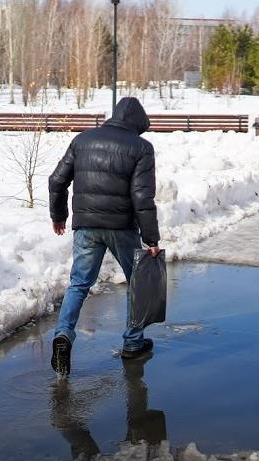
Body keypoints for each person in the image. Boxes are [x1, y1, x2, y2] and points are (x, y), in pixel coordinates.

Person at [48, 97, 161, 376]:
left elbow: (56, 180)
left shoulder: (83, 140)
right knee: (138, 282)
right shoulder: (141, 147)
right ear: (137, 123)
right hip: (121, 226)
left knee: (79, 284)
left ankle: (63, 333)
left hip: (86, 224)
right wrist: (151, 238)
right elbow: (142, 196)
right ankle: (133, 342)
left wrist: (58, 215)